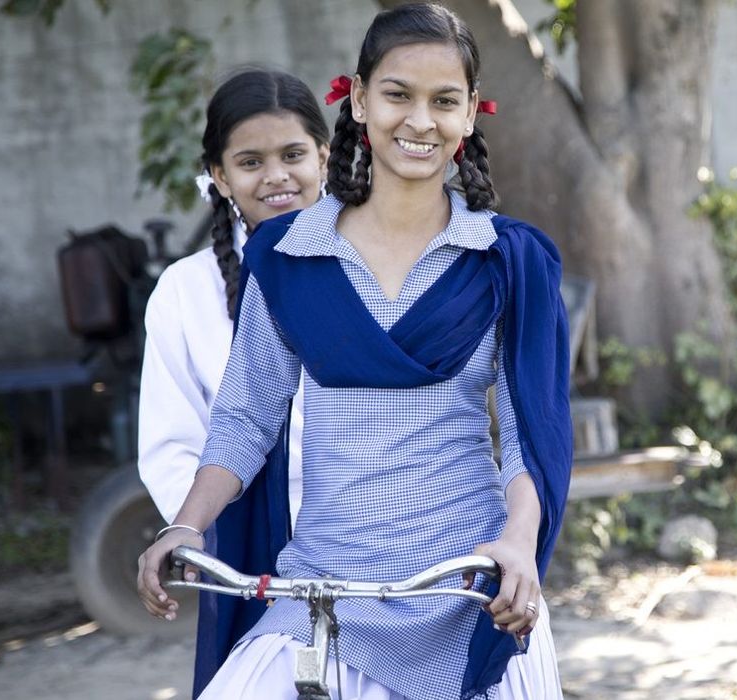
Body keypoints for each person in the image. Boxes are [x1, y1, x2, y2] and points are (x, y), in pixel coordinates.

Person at [136, 4, 572, 699]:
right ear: (359, 99)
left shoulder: (510, 260)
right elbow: (246, 418)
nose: (419, 121)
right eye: (398, 94)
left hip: (468, 584)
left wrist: (517, 544)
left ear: (469, 118)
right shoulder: (286, 256)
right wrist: (184, 524)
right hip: (322, 586)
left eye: (444, 101)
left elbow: (531, 436)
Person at [136, 68, 330, 696]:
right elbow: (172, 444)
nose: (276, 176)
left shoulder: (374, 261)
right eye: (250, 161)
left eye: (293, 155)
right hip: (243, 548)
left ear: (324, 158)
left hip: (373, 537)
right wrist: (201, 538)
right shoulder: (184, 293)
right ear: (219, 177)